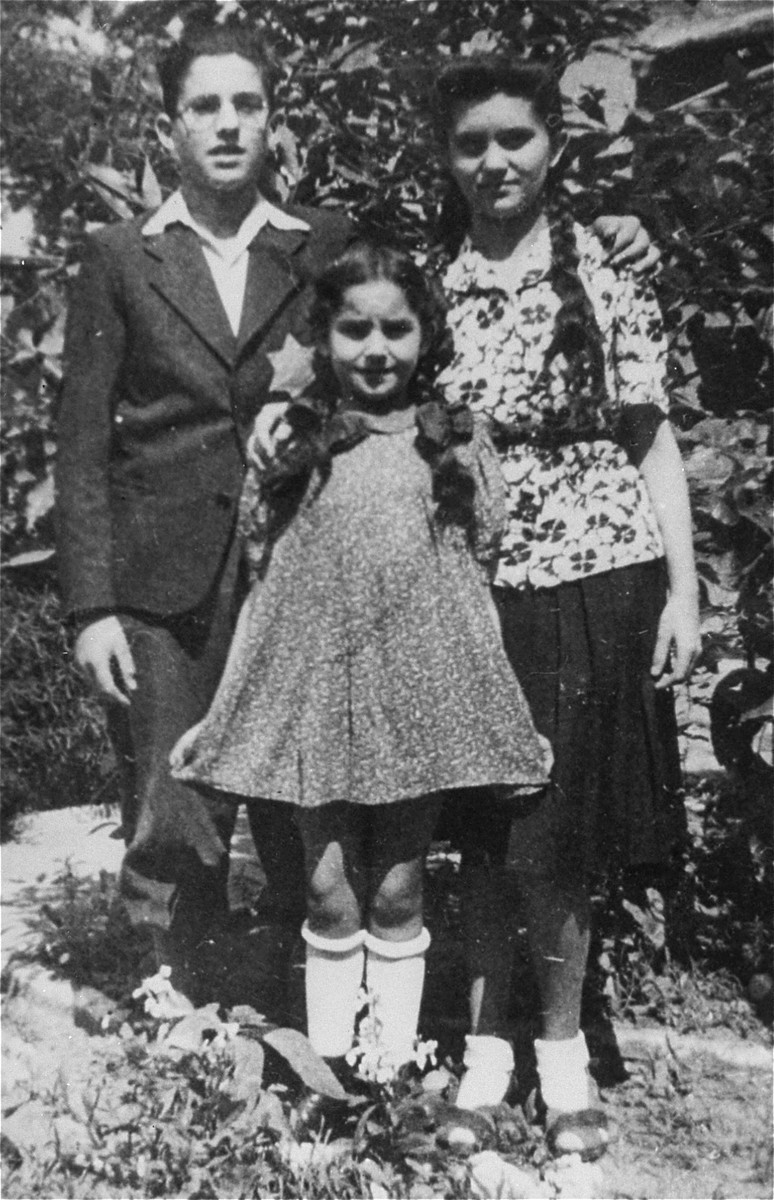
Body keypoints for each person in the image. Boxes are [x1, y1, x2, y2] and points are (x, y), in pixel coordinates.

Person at [170, 240, 552, 1076]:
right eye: (353, 331)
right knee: (327, 888)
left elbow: (471, 581)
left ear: (426, 334)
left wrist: (499, 708)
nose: (375, 350)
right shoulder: (294, 444)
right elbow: (265, 587)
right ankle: (330, 1081)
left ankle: (388, 1076)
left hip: (415, 701)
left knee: (397, 890)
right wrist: (229, 707)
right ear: (325, 337)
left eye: (396, 329)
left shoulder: (454, 441)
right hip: (320, 700)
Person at [430, 57, 701, 1157]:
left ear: (554, 144)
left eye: (516, 139)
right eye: (471, 143)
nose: (495, 162)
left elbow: (652, 437)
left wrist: (685, 590)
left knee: (571, 833)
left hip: (599, 572)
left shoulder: (605, 267)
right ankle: (488, 1052)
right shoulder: (428, 282)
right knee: (490, 832)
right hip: (476, 583)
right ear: (446, 158)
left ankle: (563, 1053)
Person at [54, 17, 352, 1002]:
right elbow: (83, 441)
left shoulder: (324, 247)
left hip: (297, 566)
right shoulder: (117, 256)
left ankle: (308, 996)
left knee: (305, 794)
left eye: (247, 105)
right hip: (160, 577)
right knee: (175, 799)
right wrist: (91, 605)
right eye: (205, 107)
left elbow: (399, 361)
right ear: (171, 126)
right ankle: (179, 993)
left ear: (273, 122)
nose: (228, 126)